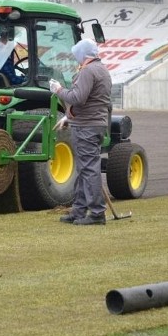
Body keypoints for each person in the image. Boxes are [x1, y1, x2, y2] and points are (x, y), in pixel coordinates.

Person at [50, 39, 112, 225]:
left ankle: (96, 213)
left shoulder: (87, 71)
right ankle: (79, 210)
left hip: (87, 127)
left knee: (89, 169)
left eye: (77, 54)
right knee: (84, 168)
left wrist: (58, 90)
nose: (75, 58)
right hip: (93, 123)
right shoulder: (102, 70)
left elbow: (77, 98)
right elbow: (94, 102)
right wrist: (69, 117)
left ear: (83, 55)